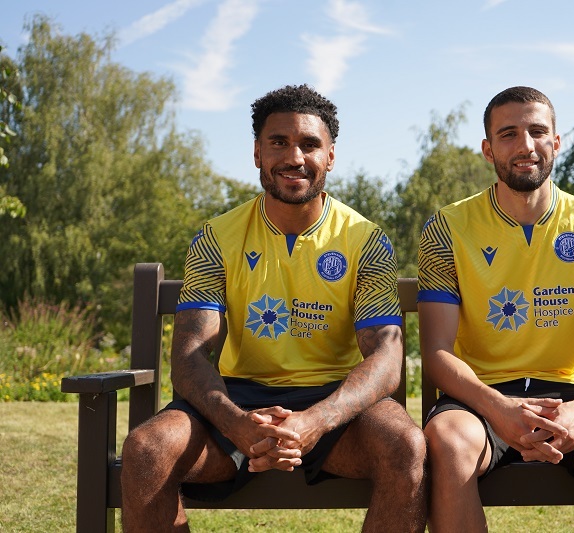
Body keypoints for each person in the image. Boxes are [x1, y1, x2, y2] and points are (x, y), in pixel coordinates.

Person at [120, 84, 426, 532]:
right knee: (148, 450)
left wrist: (315, 421)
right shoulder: (216, 237)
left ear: (331, 156)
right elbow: (190, 357)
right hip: (236, 403)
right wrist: (238, 423)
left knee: (406, 447)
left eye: (309, 144)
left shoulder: (365, 240)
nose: (294, 157)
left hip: (334, 407)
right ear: (257, 153)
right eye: (278, 142)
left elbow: (385, 356)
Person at [417, 86, 574, 533]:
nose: (525, 145)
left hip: (569, 401)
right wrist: (499, 410)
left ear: (556, 141)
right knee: (448, 442)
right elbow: (436, 350)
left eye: (537, 131)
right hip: (479, 404)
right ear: (487, 148)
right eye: (509, 134)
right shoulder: (447, 226)